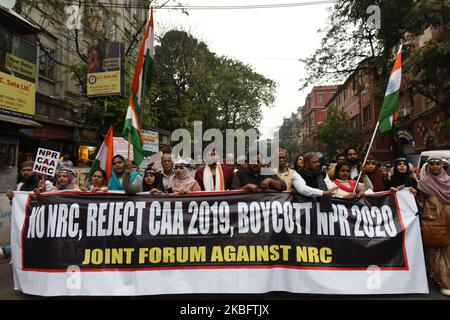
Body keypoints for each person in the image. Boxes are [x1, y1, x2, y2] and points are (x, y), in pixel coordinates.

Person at [417, 158, 450, 296]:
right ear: (428, 166)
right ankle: (443, 282)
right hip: (434, 221)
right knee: (436, 251)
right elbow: (420, 203)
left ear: (442, 165)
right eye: (431, 164)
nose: (435, 167)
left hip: (449, 220)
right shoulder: (423, 183)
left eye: (438, 164)